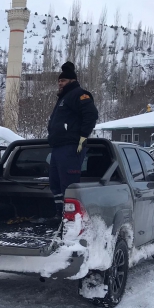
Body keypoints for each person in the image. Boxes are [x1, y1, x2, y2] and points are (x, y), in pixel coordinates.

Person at [47, 61, 99, 217]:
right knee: (55, 183)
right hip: (58, 147)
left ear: (72, 81)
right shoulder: (64, 98)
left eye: (62, 81)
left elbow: (91, 114)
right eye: (59, 81)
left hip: (70, 146)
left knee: (68, 185)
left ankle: (70, 218)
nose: (60, 84)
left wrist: (83, 136)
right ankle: (59, 214)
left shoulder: (79, 94)